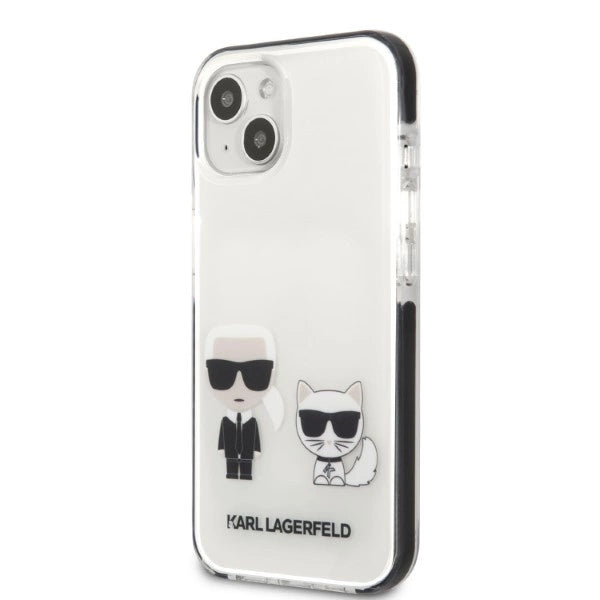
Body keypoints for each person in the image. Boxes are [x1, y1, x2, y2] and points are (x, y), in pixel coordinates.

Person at [205, 325, 283, 480]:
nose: (239, 385)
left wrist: (256, 449)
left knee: (247, 468)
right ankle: (232, 473)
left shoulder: (251, 422)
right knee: (231, 467)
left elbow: (255, 437)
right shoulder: (226, 420)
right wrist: (221, 448)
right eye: (221, 374)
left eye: (256, 373)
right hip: (230, 455)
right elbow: (222, 435)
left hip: (247, 455)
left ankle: (246, 474)